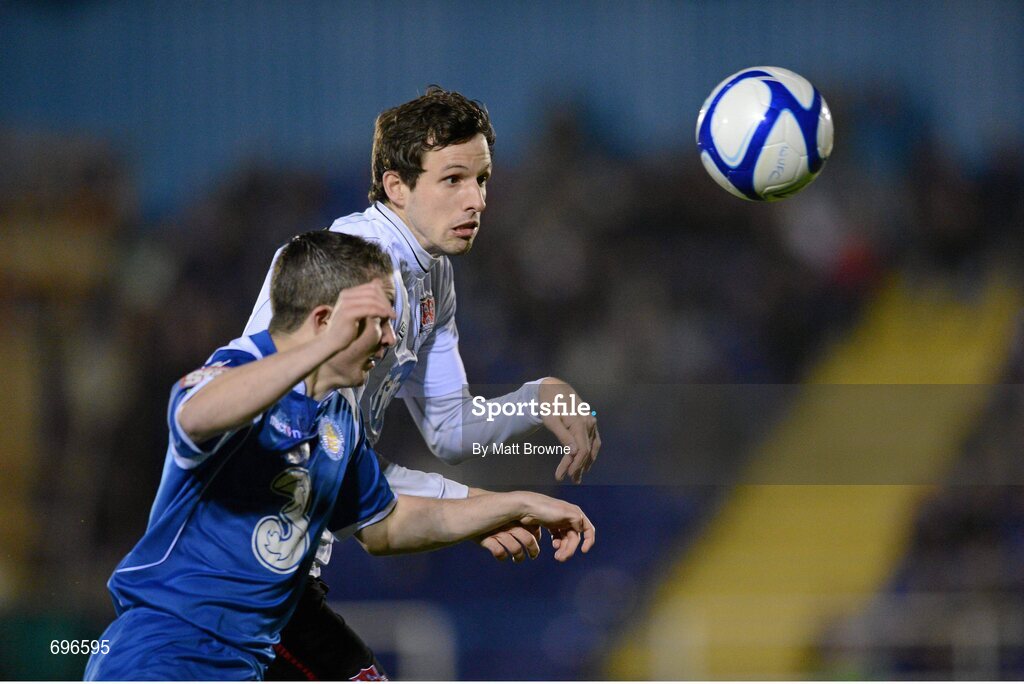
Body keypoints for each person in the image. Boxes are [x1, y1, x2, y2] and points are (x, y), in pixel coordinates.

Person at [84, 231, 594, 681]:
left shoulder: (339, 420)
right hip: (160, 656)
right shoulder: (238, 367)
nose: (392, 339)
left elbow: (386, 524)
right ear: (327, 321)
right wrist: (319, 349)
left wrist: (514, 503)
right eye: (378, 322)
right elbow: (196, 415)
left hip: (241, 666)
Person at [245, 87, 602, 680]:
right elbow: (326, 466)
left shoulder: (430, 273)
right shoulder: (353, 272)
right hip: (248, 571)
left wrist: (538, 397)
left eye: (483, 180)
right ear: (396, 186)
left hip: (283, 572)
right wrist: (478, 507)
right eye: (454, 179)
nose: (477, 200)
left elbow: (449, 428)